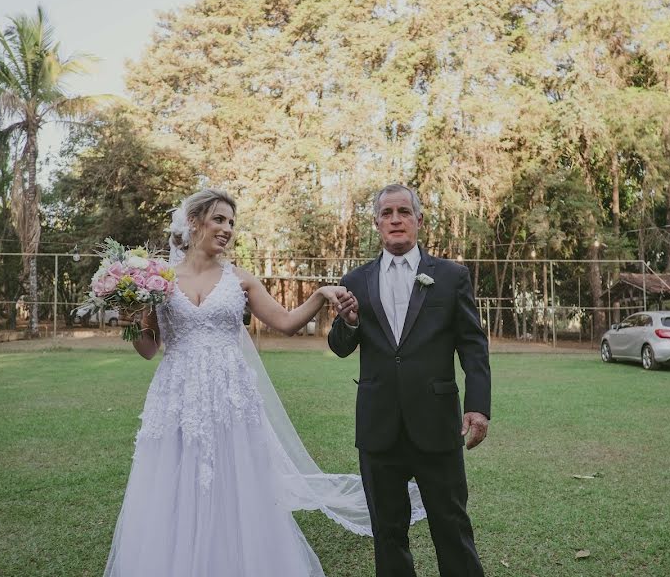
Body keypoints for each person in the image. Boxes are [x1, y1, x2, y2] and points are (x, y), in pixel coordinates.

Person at [104, 188, 372, 577]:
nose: (227, 229)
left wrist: (318, 296)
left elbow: (285, 322)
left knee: (233, 482)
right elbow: (148, 349)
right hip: (176, 395)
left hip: (230, 396)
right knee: (174, 482)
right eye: (219, 219)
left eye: (231, 222)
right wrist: (129, 313)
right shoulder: (157, 280)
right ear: (194, 222)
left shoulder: (240, 279)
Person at [328, 184, 491, 577]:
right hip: (378, 425)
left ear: (419, 220)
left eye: (404, 211)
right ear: (377, 223)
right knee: (387, 530)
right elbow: (339, 345)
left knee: (451, 525)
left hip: (435, 422)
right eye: (387, 213)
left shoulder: (451, 276)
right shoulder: (356, 278)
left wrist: (478, 407)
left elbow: (472, 345)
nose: (396, 219)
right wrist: (349, 323)